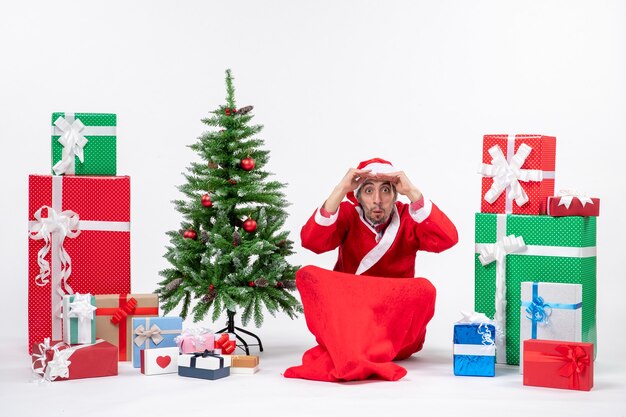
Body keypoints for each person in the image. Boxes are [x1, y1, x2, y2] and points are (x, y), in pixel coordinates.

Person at [301, 157, 458, 278]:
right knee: (310, 276)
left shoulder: (408, 218)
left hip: (395, 308)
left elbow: (447, 239)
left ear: (395, 195)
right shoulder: (348, 215)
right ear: (358, 197)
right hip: (351, 304)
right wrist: (340, 189)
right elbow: (312, 242)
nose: (377, 199)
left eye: (385, 190)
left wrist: (412, 192)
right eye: (369, 191)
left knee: (425, 289)